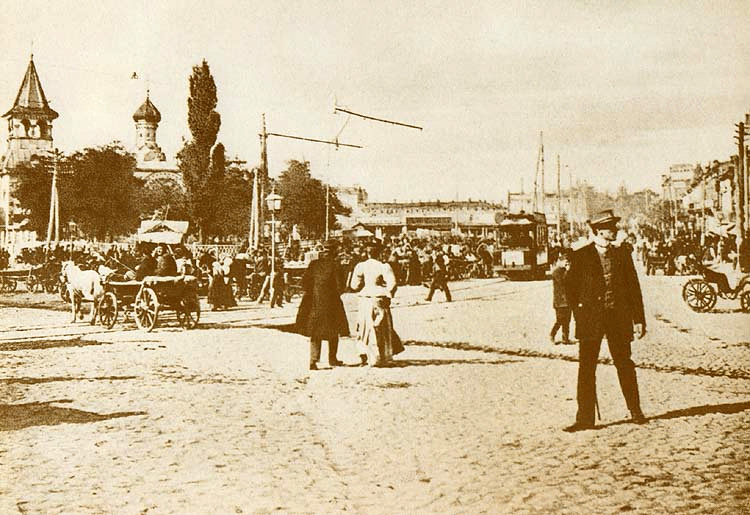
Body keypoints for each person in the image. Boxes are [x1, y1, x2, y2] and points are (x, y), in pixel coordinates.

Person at [564, 209, 647, 432]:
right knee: (586, 368)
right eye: (611, 227)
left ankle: (636, 411)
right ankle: (584, 419)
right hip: (590, 320)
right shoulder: (581, 256)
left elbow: (633, 289)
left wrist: (638, 319)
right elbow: (569, 287)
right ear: (599, 230)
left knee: (625, 364)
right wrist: (580, 310)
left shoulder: (622, 254)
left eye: (614, 227)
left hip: (618, 319)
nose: (615, 231)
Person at [295, 240, 349, 370]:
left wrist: (313, 293)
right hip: (332, 301)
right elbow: (340, 286)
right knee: (334, 330)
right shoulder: (336, 265)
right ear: (334, 251)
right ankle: (332, 359)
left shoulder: (314, 264)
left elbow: (304, 283)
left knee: (315, 331)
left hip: (314, 301)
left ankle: (313, 360)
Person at [349, 244, 404, 367]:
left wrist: (362, 284)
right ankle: (382, 356)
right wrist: (389, 295)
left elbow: (354, 286)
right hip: (379, 297)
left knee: (364, 327)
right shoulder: (384, 266)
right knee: (380, 327)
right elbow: (393, 283)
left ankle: (364, 354)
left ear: (367, 253)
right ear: (379, 253)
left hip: (365, 298)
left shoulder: (361, 266)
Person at [550, 252, 572, 345]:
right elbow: (563, 281)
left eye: (568, 262)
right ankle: (552, 335)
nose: (566, 264)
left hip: (567, 300)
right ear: (560, 261)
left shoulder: (565, 271)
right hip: (559, 301)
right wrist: (568, 271)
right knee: (560, 320)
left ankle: (565, 338)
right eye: (565, 262)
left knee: (567, 320)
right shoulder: (556, 272)